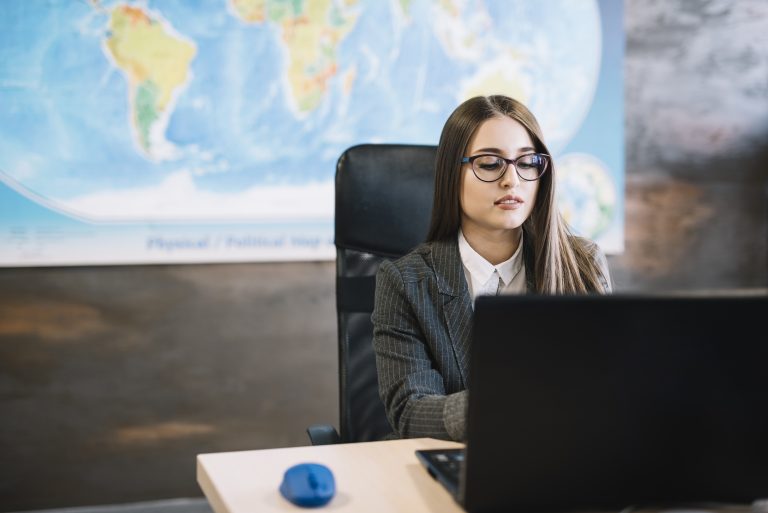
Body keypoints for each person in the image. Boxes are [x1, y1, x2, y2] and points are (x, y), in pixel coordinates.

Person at [371, 95, 612, 442]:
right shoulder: (406, 283)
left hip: (565, 466)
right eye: (489, 164)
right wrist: (514, 404)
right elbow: (412, 411)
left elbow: (606, 391)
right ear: (452, 174)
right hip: (461, 468)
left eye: (527, 163)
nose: (512, 180)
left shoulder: (583, 263)